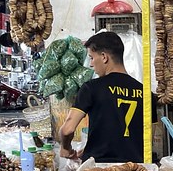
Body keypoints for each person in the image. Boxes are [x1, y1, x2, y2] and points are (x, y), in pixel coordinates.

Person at [60, 31, 144, 163]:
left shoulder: (91, 88)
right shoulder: (143, 91)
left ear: (104, 57)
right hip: (135, 170)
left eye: (92, 57)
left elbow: (67, 129)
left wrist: (66, 148)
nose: (91, 64)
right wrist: (90, 148)